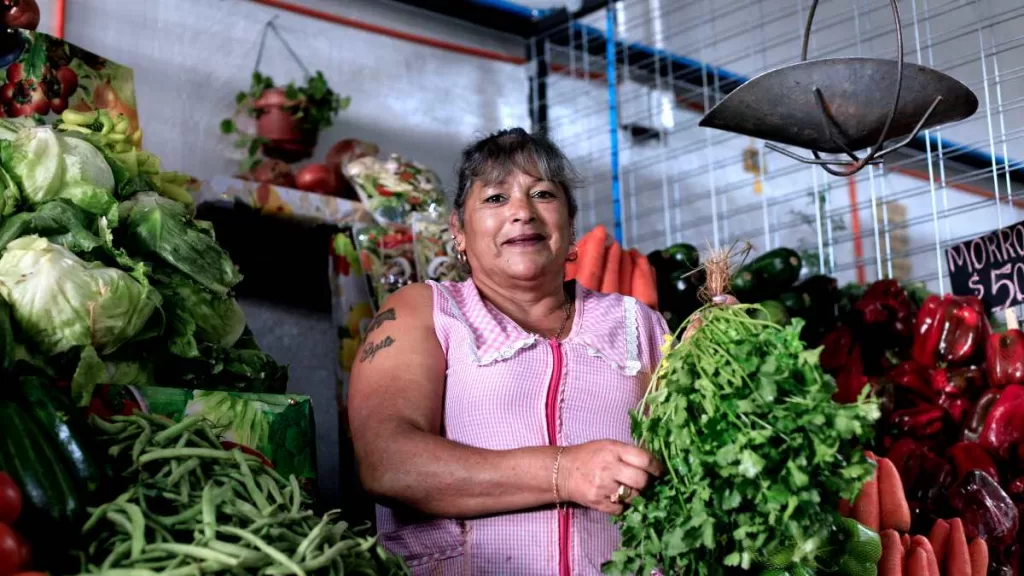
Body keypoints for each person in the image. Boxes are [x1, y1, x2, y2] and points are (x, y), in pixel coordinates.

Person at [348, 128, 674, 575]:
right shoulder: (425, 312)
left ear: (570, 224)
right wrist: (565, 471)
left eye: (542, 194)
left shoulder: (638, 324)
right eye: (496, 198)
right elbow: (388, 462)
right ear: (458, 232)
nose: (522, 212)